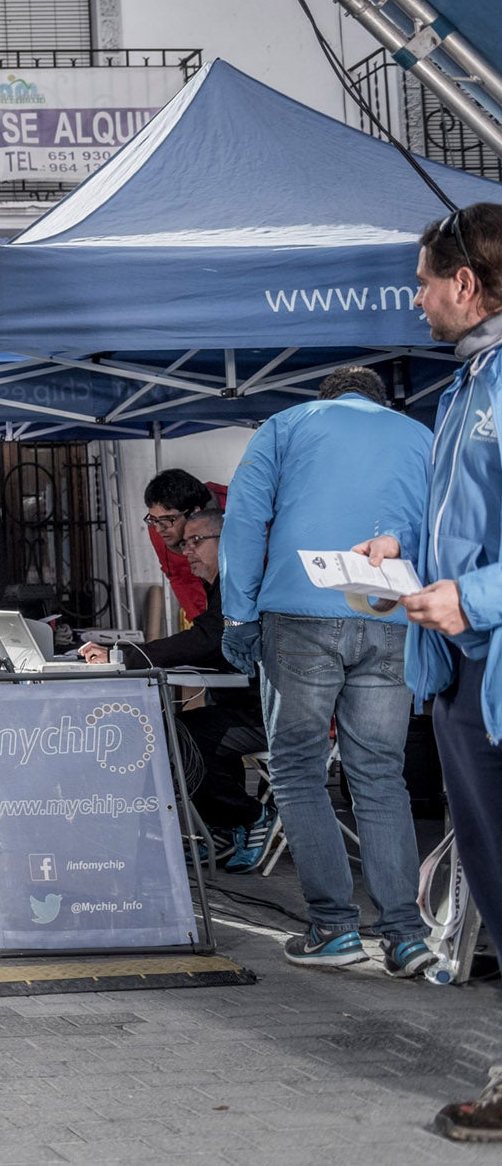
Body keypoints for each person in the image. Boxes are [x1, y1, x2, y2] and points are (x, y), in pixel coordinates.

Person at [351, 203, 502, 1142]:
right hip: (459, 678)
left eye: (422, 281)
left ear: (465, 284)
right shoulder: (465, 386)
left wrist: (474, 598)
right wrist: (406, 552)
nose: (414, 300)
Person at [216, 366, 435, 973]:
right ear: (378, 402)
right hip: (391, 612)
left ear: (327, 398)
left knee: (296, 769)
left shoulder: (286, 426)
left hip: (301, 614)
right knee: (381, 775)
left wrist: (238, 616)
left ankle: (334, 929)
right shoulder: (420, 436)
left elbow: (243, 519)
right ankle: (405, 935)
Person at [80, 509, 268, 868]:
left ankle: (249, 816)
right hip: (242, 704)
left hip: (267, 713)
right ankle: (225, 826)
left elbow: (209, 639)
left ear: (224, 542)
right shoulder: (220, 586)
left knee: (181, 737)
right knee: (185, 731)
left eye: (197, 541)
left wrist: (127, 655)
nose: (189, 551)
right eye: (185, 544)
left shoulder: (240, 582)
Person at [143, 469, 227, 621]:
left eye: (168, 519)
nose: (158, 529)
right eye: (153, 519)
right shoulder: (159, 527)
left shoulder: (238, 510)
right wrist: (202, 627)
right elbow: (180, 577)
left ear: (194, 512)